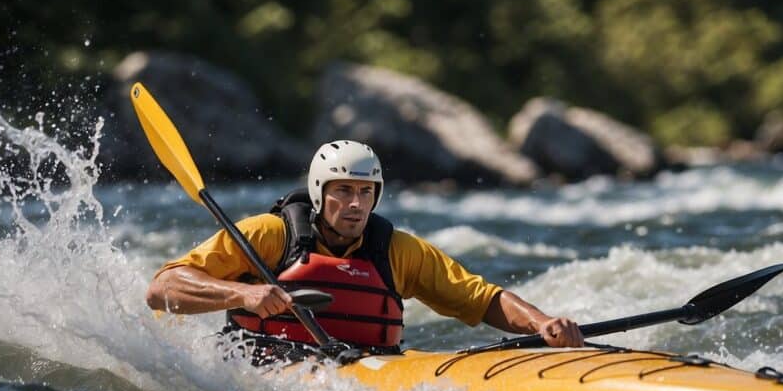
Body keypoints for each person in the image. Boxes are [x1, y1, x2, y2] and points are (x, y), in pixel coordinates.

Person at [146, 140, 584, 358]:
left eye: (365, 191)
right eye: (343, 191)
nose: (356, 204)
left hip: (368, 369)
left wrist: (541, 323)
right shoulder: (266, 235)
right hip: (260, 371)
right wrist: (242, 294)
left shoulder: (397, 251)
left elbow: (482, 298)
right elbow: (161, 288)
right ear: (319, 193)